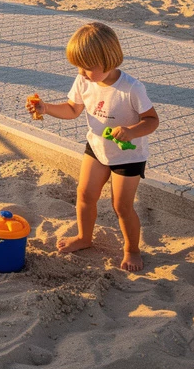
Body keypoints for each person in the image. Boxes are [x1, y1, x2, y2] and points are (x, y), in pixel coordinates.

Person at [26, 21, 158, 273]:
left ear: (108, 60)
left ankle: (132, 248)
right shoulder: (84, 80)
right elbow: (73, 109)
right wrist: (46, 108)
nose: (81, 72)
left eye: (87, 67)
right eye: (78, 66)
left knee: (122, 206)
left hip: (128, 155)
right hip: (97, 147)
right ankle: (84, 237)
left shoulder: (131, 88)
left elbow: (152, 121)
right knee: (85, 194)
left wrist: (131, 131)